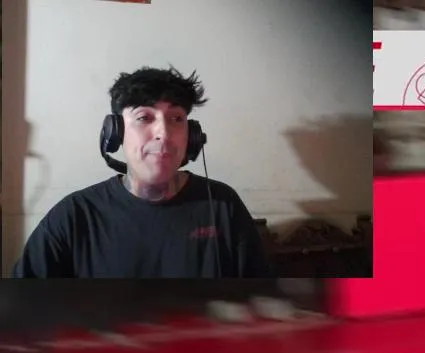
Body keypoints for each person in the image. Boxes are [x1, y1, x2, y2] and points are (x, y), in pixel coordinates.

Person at [13, 67, 271, 278]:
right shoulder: (73, 217)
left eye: (176, 118)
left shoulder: (223, 205)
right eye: (144, 118)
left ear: (192, 136)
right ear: (115, 133)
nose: (163, 133)